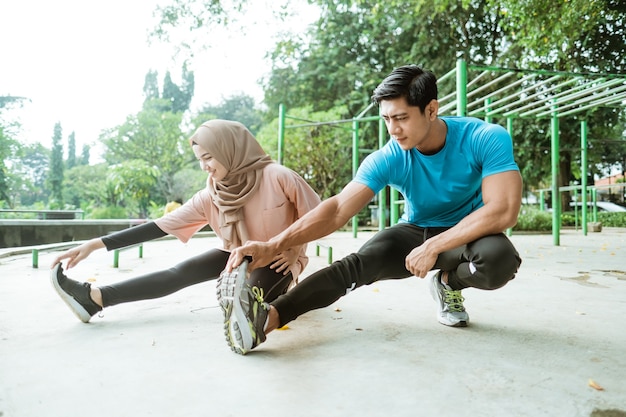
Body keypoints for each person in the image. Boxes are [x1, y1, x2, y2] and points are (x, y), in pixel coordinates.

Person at [222, 64, 523, 355]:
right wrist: (274, 244)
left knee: (499, 260)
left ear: (431, 110)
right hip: (416, 230)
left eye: (401, 118)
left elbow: (503, 210)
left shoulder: (484, 138)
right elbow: (338, 208)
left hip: (465, 235)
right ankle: (266, 320)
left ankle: (447, 284)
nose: (393, 129)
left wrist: (435, 246)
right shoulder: (390, 156)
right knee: (358, 264)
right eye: (387, 119)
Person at [49, 120, 321, 333]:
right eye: (199, 160)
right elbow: (158, 227)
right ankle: (94, 299)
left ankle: (260, 310)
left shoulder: (278, 177)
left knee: (248, 298)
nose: (204, 167)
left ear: (230, 149)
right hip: (237, 255)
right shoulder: (211, 196)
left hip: (279, 258)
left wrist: (294, 249)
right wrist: (94, 245)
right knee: (180, 272)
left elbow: (317, 214)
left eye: (209, 157)